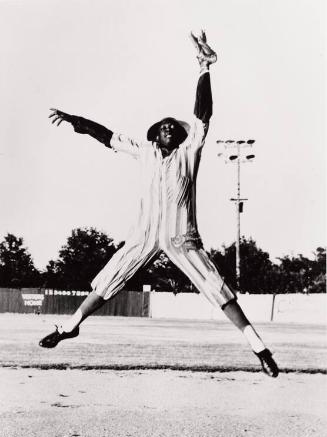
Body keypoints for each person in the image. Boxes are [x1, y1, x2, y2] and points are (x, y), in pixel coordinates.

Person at [39, 32, 279, 378]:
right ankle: (70, 326)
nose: (169, 126)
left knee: (216, 287)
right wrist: (74, 119)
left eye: (173, 126)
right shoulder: (144, 151)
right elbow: (105, 135)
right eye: (163, 126)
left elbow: (202, 116)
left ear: (179, 136)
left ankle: (259, 347)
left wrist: (203, 69)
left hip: (182, 237)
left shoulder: (188, 152)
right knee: (108, 280)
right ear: (155, 135)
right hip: (145, 234)